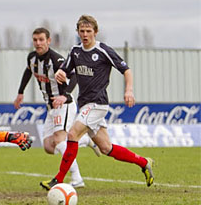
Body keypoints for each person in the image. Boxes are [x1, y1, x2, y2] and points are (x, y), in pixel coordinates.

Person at [45, 14, 155, 189]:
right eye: (82, 31)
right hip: (85, 105)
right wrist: (61, 74)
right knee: (106, 148)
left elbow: (126, 70)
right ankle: (143, 163)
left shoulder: (103, 50)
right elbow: (65, 72)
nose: (85, 34)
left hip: (98, 104)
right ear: (78, 32)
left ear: (95, 32)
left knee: (72, 134)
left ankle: (58, 179)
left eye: (88, 31)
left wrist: (129, 90)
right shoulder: (75, 51)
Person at [13, 27, 101, 189]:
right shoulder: (32, 58)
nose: (38, 43)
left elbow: (74, 76)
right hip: (50, 107)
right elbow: (28, 72)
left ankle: (77, 178)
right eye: (35, 40)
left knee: (60, 139)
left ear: (48, 41)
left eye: (41, 40)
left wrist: (64, 95)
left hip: (64, 104)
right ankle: (86, 140)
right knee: (48, 146)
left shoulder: (56, 60)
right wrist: (20, 93)